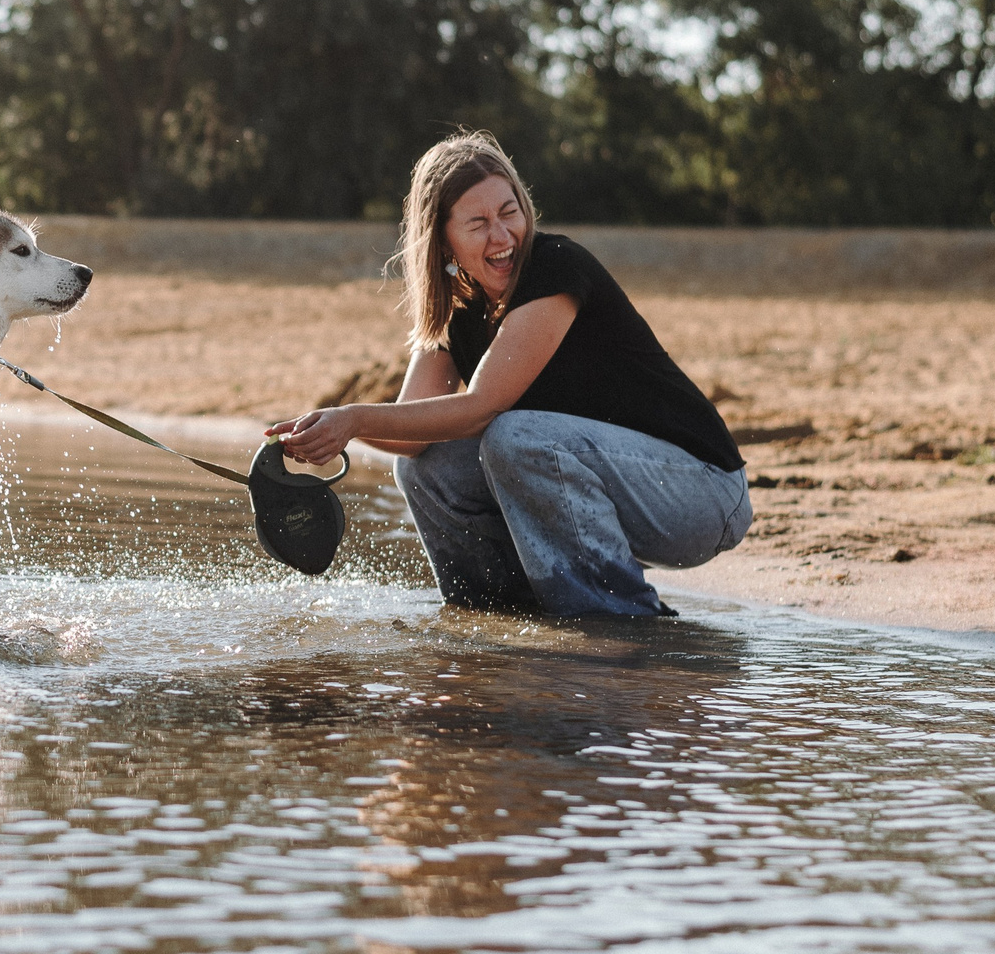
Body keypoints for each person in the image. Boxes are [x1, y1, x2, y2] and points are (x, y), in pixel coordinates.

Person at [267, 130, 750, 618]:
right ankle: (500, 616)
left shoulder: (555, 268)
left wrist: (351, 419)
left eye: (509, 213)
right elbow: (413, 437)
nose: (502, 237)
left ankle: (622, 620)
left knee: (514, 436)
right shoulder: (459, 306)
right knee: (423, 468)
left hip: (703, 495)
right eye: (478, 223)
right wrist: (326, 435)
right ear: (444, 240)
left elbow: (481, 408)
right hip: (619, 485)